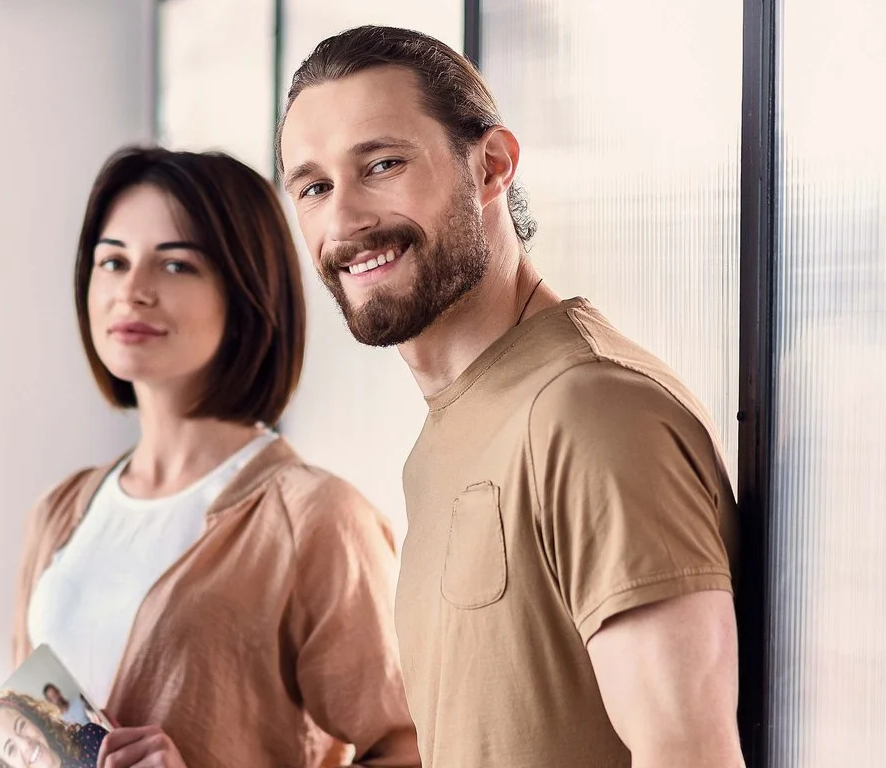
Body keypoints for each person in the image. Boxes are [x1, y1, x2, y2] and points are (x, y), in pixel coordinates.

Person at [276, 25, 743, 768]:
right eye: (314, 187)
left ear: (491, 166)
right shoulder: (443, 440)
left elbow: (687, 754)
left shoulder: (590, 412)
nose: (344, 220)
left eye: (383, 164)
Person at [12, 147, 419, 768]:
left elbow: (412, 748)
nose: (132, 291)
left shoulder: (318, 520)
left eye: (175, 265)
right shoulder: (61, 510)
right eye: (113, 261)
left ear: (247, 292)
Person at [0, 691, 108, 768]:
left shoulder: (91, 738)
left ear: (34, 720)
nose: (25, 745)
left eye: (21, 726)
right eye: (11, 749)